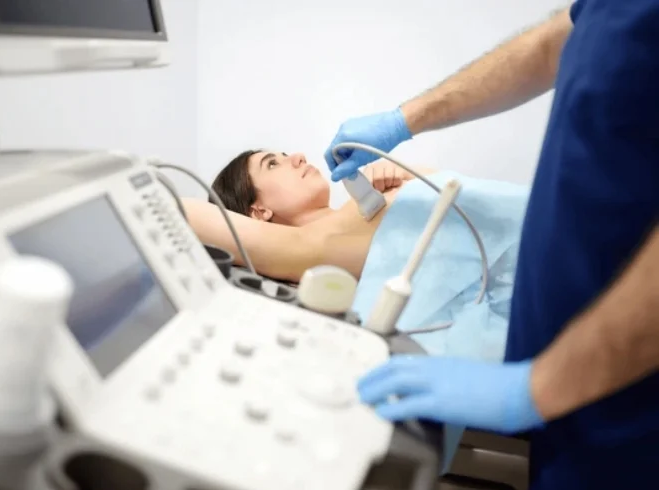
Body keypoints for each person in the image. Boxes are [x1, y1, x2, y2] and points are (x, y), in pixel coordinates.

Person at [325, 3, 659, 489]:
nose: (293, 159)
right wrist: (403, 120)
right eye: (270, 164)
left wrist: (535, 389)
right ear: (259, 210)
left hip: (624, 389)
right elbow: (556, 41)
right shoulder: (328, 226)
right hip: (571, 378)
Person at [183, 149, 440, 282]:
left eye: (284, 156)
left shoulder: (369, 196)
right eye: (272, 164)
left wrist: (404, 174)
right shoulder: (301, 248)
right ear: (258, 211)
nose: (298, 157)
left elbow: (451, 188)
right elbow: (183, 210)